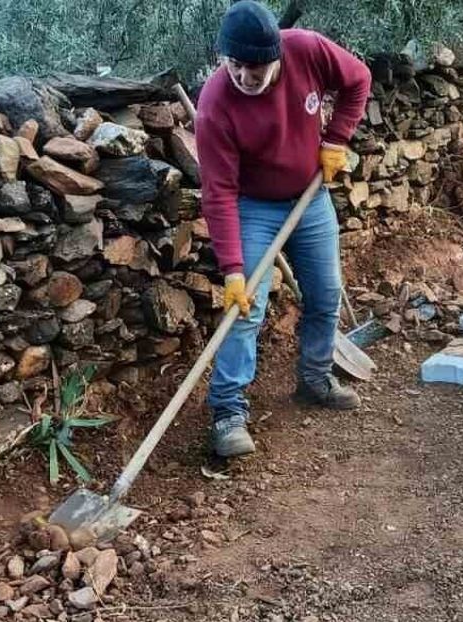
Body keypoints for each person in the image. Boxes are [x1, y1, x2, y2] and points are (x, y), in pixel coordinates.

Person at [196, 1, 371, 457]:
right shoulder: (216, 102)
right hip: (253, 207)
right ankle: (228, 412)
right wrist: (233, 270)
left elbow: (358, 81)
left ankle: (315, 378)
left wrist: (336, 139)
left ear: (277, 56)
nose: (244, 77)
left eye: (255, 68)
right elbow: (217, 192)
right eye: (235, 65)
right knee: (245, 309)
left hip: (310, 199)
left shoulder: (307, 50)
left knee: (325, 293)